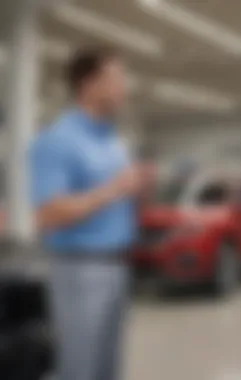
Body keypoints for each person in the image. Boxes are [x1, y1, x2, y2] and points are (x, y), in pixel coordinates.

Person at [29, 46, 150, 380]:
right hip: (80, 270)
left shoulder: (113, 142)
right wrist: (114, 189)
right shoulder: (58, 140)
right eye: (116, 78)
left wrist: (137, 190)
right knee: (80, 370)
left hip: (118, 266)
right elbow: (49, 213)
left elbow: (116, 202)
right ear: (88, 84)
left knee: (108, 370)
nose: (123, 87)